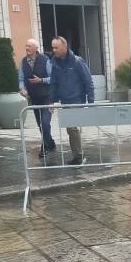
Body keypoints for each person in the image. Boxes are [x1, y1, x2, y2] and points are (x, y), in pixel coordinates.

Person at [49, 36, 94, 166]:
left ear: (64, 46)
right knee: (70, 129)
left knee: (73, 128)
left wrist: (91, 102)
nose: (54, 50)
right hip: (65, 101)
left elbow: (88, 81)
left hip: (77, 100)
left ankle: (79, 156)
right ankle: (77, 155)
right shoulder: (55, 64)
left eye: (56, 47)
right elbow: (53, 83)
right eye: (53, 47)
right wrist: (51, 100)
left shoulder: (77, 62)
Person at [18, 38, 55, 158]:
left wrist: (41, 80)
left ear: (36, 48)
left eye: (29, 46)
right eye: (26, 46)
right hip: (34, 97)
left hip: (47, 97)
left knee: (45, 122)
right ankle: (51, 143)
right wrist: (22, 88)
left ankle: (44, 147)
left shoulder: (45, 60)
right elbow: (21, 79)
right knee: (40, 124)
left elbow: (53, 78)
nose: (27, 48)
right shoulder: (23, 62)